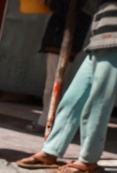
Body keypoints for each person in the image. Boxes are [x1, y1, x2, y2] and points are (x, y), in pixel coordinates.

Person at [15, 0, 117, 173]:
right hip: (98, 43)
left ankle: (89, 159)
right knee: (72, 99)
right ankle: (51, 151)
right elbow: (87, 7)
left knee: (97, 103)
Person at [30, 0, 92, 131]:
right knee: (54, 86)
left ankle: (48, 122)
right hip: (61, 42)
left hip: (62, 43)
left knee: (53, 87)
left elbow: (68, 11)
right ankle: (50, 121)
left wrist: (47, 2)